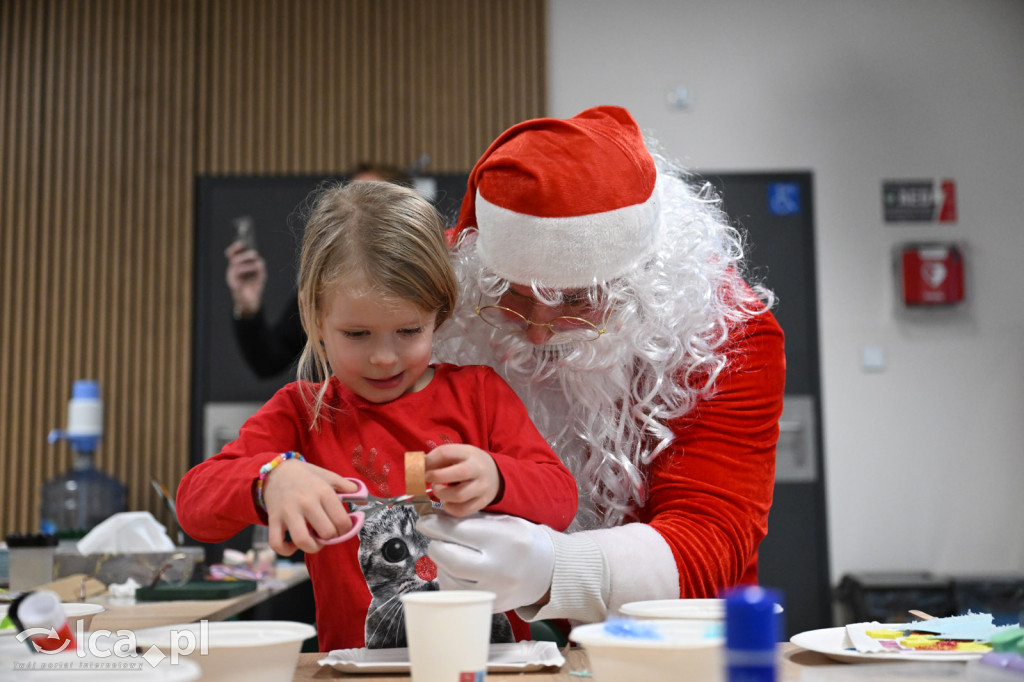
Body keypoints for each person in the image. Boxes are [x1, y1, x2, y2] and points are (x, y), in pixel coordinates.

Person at [418, 105, 786, 626]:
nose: (539, 332)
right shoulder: (452, 304)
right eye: (512, 296)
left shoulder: (727, 336)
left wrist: (554, 568)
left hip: (671, 646)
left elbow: (711, 542)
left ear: (643, 285)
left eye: (576, 301)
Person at [179, 181, 578, 651]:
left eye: (409, 330)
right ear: (315, 319)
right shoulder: (300, 412)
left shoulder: (479, 393)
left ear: (439, 314)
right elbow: (194, 504)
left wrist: (497, 476)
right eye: (358, 334)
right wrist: (272, 479)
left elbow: (560, 498)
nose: (384, 358)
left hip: (485, 663)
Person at [226, 164, 413, 378]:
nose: (358, 212)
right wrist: (247, 305)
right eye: (355, 333)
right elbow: (269, 360)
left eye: (410, 331)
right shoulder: (323, 284)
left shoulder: (423, 281)